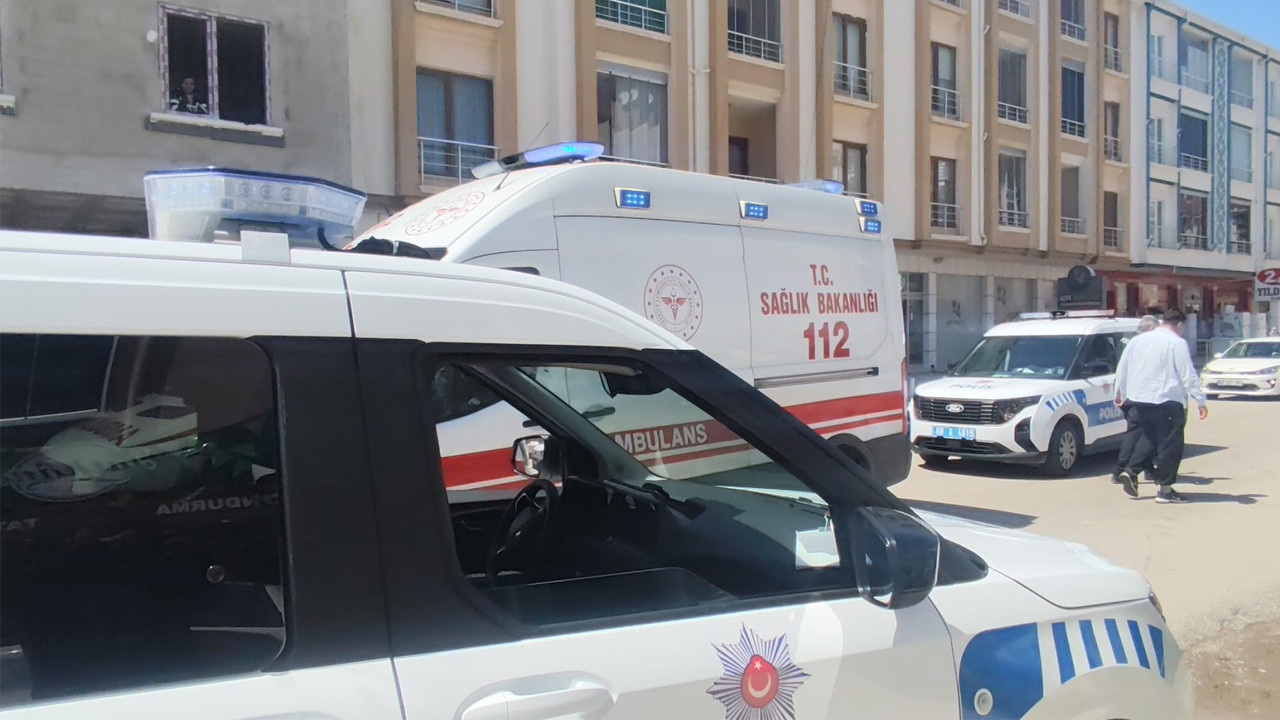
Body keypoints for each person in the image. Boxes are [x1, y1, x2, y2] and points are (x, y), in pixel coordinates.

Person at [1112, 309, 1208, 503]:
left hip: (1139, 400)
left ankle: (1131, 471)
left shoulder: (1137, 341)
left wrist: (1119, 392)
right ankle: (1165, 490)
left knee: (1149, 438)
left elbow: (1123, 367)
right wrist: (1200, 400)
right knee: (1170, 446)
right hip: (1166, 400)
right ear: (1179, 325)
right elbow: (1187, 374)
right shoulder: (1176, 343)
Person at [1110, 314, 1160, 486]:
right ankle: (1121, 470)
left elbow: (1121, 370)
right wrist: (1119, 393)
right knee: (1139, 434)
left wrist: (1119, 393)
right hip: (1139, 397)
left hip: (1132, 396)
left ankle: (1147, 469)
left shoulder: (1133, 344)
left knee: (1144, 434)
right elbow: (1123, 370)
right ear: (1151, 329)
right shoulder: (1141, 345)